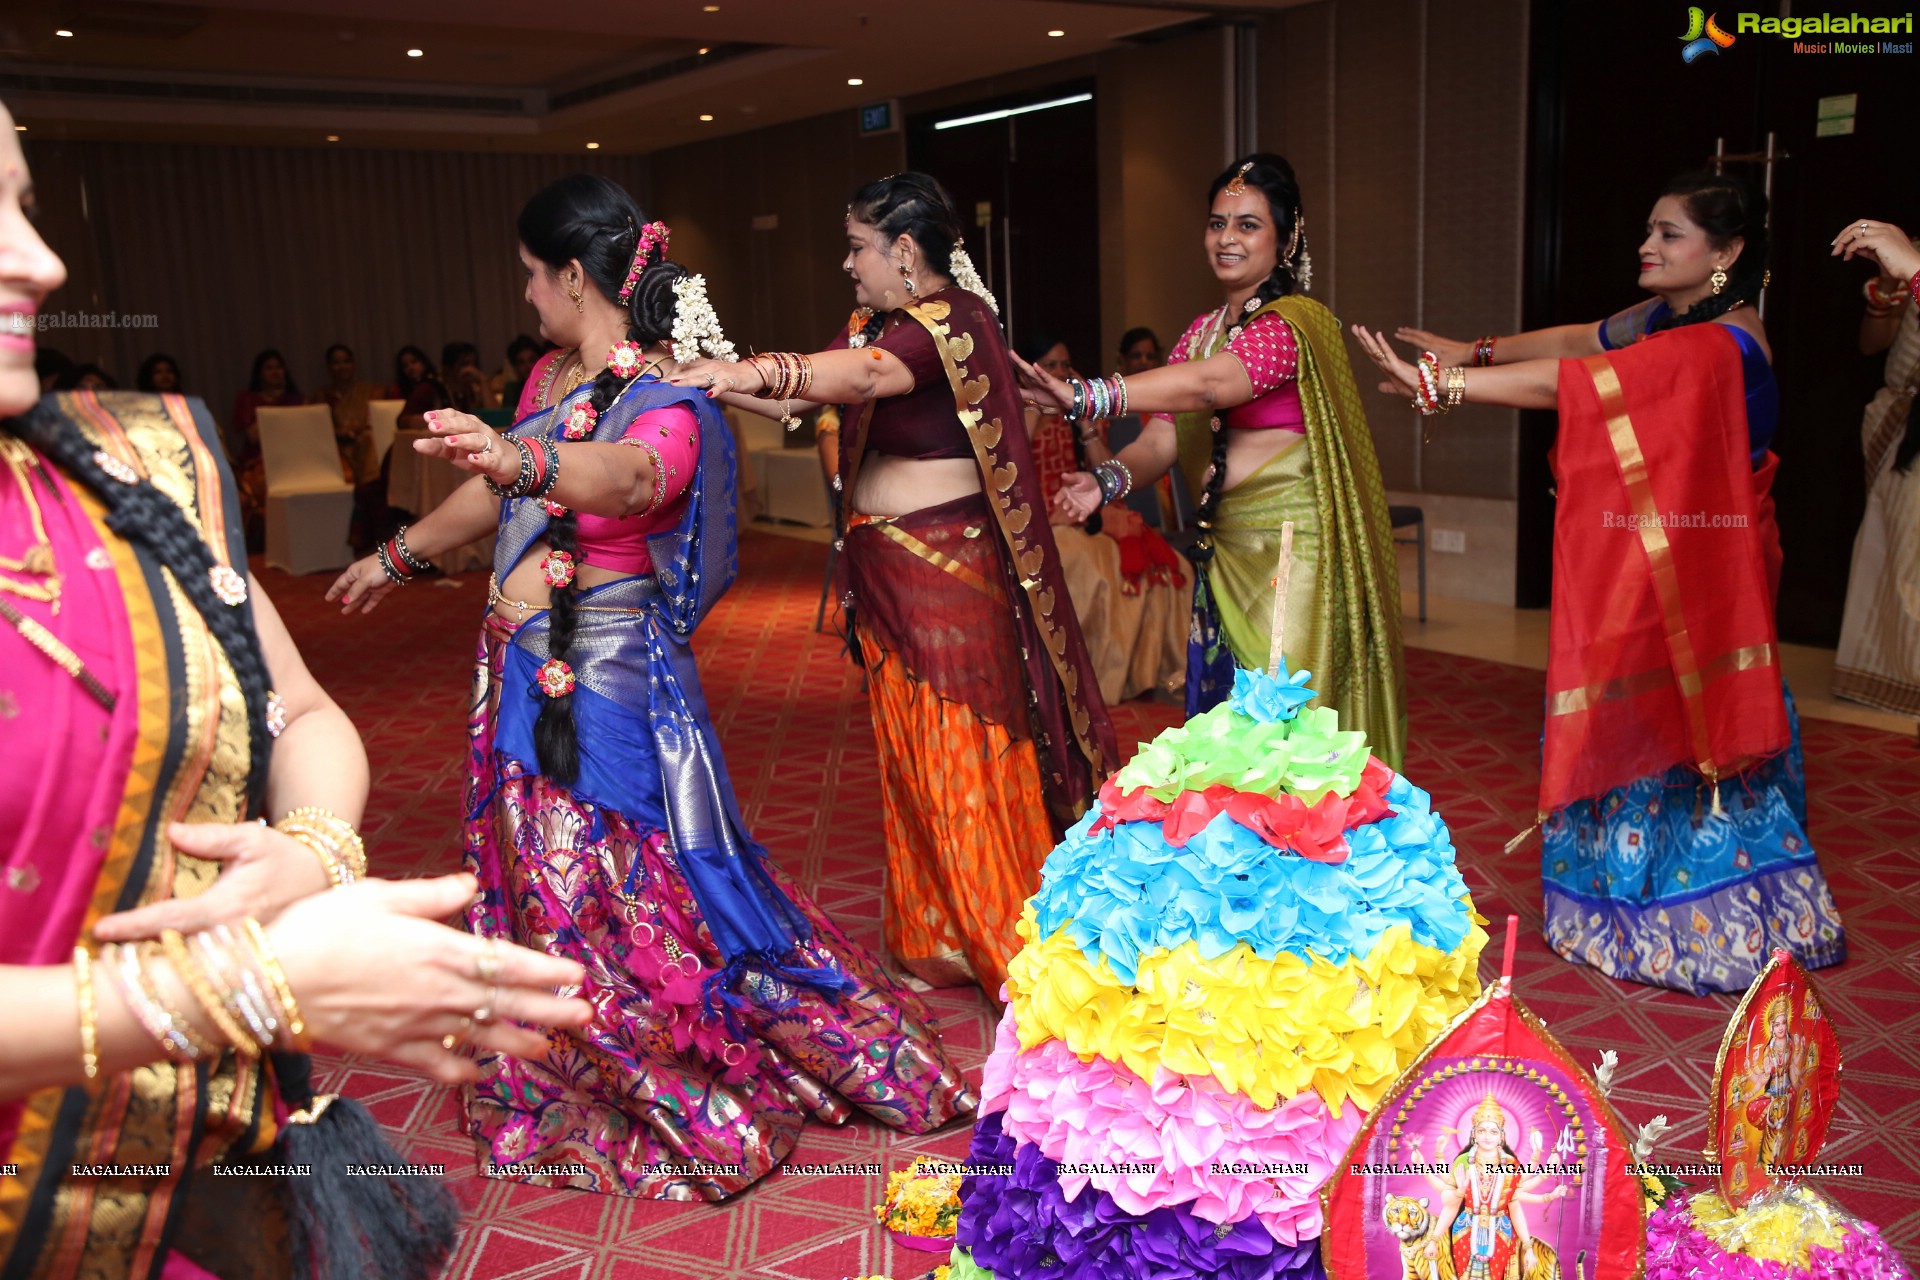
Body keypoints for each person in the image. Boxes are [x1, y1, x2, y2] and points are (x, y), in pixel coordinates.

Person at [0, 104, 590, 1279]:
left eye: (17, 201)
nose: (41, 258)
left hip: (171, 1179)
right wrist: (244, 986)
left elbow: (306, 711)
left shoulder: (123, 485)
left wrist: (314, 849)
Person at [326, 174, 972, 1199]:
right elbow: (502, 475)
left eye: (534, 277)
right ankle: (561, 1027)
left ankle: (662, 1067)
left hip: (604, 683)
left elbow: (626, 478)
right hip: (522, 663)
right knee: (542, 883)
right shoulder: (549, 383)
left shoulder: (665, 398)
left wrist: (518, 459)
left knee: (604, 884)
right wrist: (398, 553)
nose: (528, 296)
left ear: (572, 276)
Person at [1354, 171, 1846, 995]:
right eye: (1649, 230)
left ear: (1725, 254)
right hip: (1658, 548)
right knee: (1633, 696)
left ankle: (1711, 918)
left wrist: (1447, 387)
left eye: (1670, 235)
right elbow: (1584, 341)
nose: (1647, 247)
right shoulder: (1667, 320)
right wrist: (1469, 349)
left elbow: (1573, 387)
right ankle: (1613, 894)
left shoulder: (1721, 343)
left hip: (1708, 561)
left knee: (1692, 723)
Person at [673, 172, 1119, 998]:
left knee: (963, 757)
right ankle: (936, 934)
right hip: (884, 573)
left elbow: (866, 379)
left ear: (905, 251)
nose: (848, 264)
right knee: (911, 761)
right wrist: (710, 373)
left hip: (950, 579)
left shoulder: (955, 322)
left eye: (856, 247)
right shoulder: (873, 326)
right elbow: (806, 402)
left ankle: (1012, 953)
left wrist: (752, 370)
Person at [1033, 154, 1406, 765]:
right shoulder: (1201, 332)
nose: (1227, 238)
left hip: (1290, 556)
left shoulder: (1294, 324)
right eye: (1217, 222)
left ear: (1286, 240)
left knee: (1284, 737)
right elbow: (1160, 442)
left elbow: (1211, 387)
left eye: (1248, 224)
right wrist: (1104, 480)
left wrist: (1088, 392)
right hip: (1222, 549)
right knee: (1228, 736)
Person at [1016, 330, 1187, 704]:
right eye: (1050, 365)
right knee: (1096, 570)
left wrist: (1082, 420)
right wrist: (1033, 405)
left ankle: (1149, 674)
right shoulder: (1016, 409)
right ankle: (1090, 679)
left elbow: (1104, 468)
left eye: (1064, 364)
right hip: (1042, 516)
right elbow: (1014, 464)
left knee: (1170, 567)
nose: (1060, 371)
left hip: (1086, 507)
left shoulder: (1081, 411)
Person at [1830, 217, 1920, 715]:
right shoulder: (1909, 253)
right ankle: (1885, 675)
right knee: (1892, 546)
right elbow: (1873, 342)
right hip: (1901, 418)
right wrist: (1889, 288)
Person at [315, 342, 387, 553]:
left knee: (368, 440)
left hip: (365, 447)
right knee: (368, 451)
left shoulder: (370, 391)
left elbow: (372, 422)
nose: (342, 367)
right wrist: (339, 432)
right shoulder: (322, 396)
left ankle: (365, 505)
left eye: (346, 361)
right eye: (336, 363)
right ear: (329, 367)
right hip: (337, 453)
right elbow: (317, 430)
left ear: (353, 364)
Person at [229, 348, 302, 548]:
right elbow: (252, 436)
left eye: (279, 367)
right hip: (258, 460)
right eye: (269, 368)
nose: (275, 372)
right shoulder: (248, 399)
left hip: (293, 458)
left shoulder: (296, 399)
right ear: (260, 373)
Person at [391, 344, 448, 431]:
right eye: (405, 365)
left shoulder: (432, 383)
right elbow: (402, 420)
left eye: (414, 362)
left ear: (424, 363)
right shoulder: (400, 389)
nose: (410, 367)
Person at [442, 339, 499, 413]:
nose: (470, 369)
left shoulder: (474, 389)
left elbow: (494, 414)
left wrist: (484, 380)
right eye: (464, 364)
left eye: (474, 364)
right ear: (449, 367)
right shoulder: (440, 390)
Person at [496, 332, 543, 410]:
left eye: (531, 360)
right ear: (515, 367)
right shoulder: (511, 389)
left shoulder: (549, 385)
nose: (527, 366)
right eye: (521, 362)